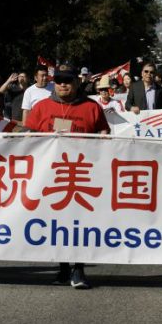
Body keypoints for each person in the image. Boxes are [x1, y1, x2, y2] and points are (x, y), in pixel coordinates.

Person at [25, 65, 109, 289]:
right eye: (59, 80)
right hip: (50, 177)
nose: (63, 84)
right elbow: (29, 137)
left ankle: (79, 269)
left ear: (77, 83)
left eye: (68, 80)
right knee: (57, 224)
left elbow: (104, 132)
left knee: (79, 223)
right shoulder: (41, 107)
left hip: (82, 177)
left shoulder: (92, 108)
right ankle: (63, 268)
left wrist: (103, 137)